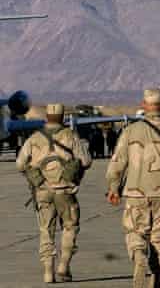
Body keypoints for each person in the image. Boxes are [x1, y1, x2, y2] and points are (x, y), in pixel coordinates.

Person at [106, 89, 160, 288]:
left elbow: (118, 162)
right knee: (159, 235)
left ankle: (139, 254)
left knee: (135, 230)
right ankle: (155, 279)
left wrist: (113, 188)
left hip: (135, 192)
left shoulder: (130, 131)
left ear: (144, 105)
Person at [17, 103, 92, 283]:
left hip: (42, 190)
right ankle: (63, 266)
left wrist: (36, 177)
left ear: (46, 117)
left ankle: (48, 272)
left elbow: (20, 164)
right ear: (63, 116)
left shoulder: (34, 138)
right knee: (70, 227)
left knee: (45, 231)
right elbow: (86, 161)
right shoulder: (70, 135)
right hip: (65, 190)